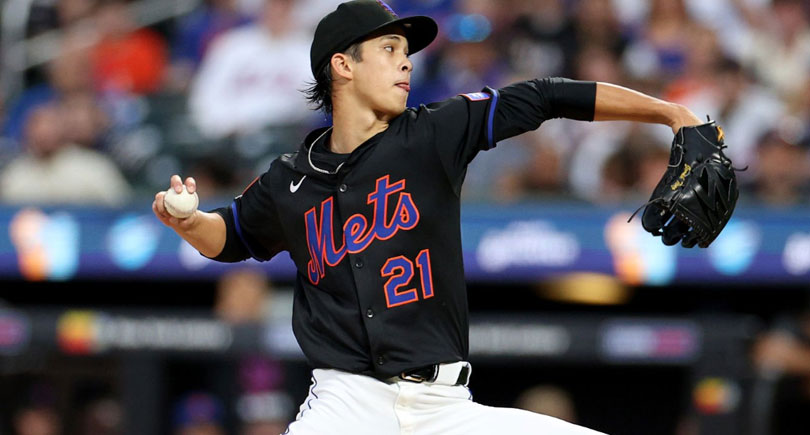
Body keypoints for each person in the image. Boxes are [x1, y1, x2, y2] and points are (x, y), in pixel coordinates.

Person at [152, 1, 703, 433]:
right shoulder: (289, 178)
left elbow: (543, 96)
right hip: (345, 405)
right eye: (389, 48)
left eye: (407, 52)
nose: (407, 61)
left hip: (446, 407)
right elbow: (230, 237)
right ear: (343, 65)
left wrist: (668, 112)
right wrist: (188, 221)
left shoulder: (431, 133)